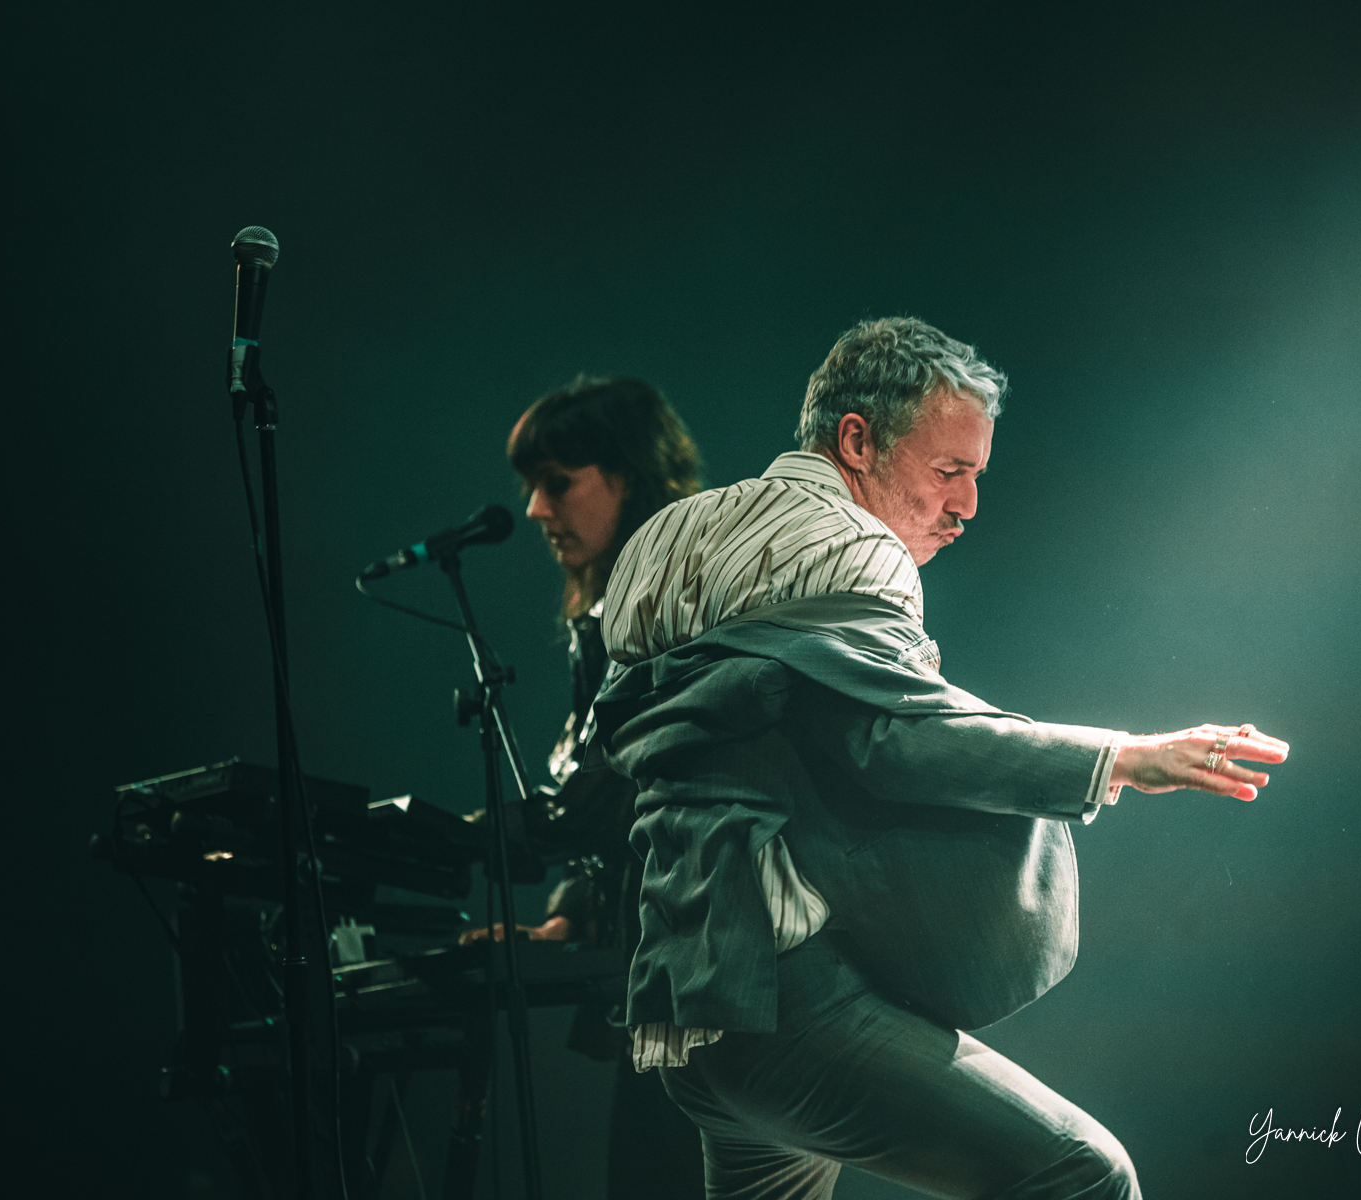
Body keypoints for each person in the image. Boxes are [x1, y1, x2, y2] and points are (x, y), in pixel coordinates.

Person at [591, 318, 1291, 1199]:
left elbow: (622, 748)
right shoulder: (851, 546)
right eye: (948, 471)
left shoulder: (656, 542)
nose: (965, 507)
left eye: (974, 476)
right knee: (1084, 1177)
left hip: (684, 1016)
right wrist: (1125, 756)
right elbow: (904, 737)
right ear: (856, 440)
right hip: (785, 1005)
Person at [495, 375, 708, 1198]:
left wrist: (448, 836)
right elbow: (617, 806)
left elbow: (612, 794)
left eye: (558, 483)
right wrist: (568, 917)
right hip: (667, 989)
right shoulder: (611, 614)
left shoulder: (668, 607)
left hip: (704, 992)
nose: (536, 512)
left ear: (630, 474)